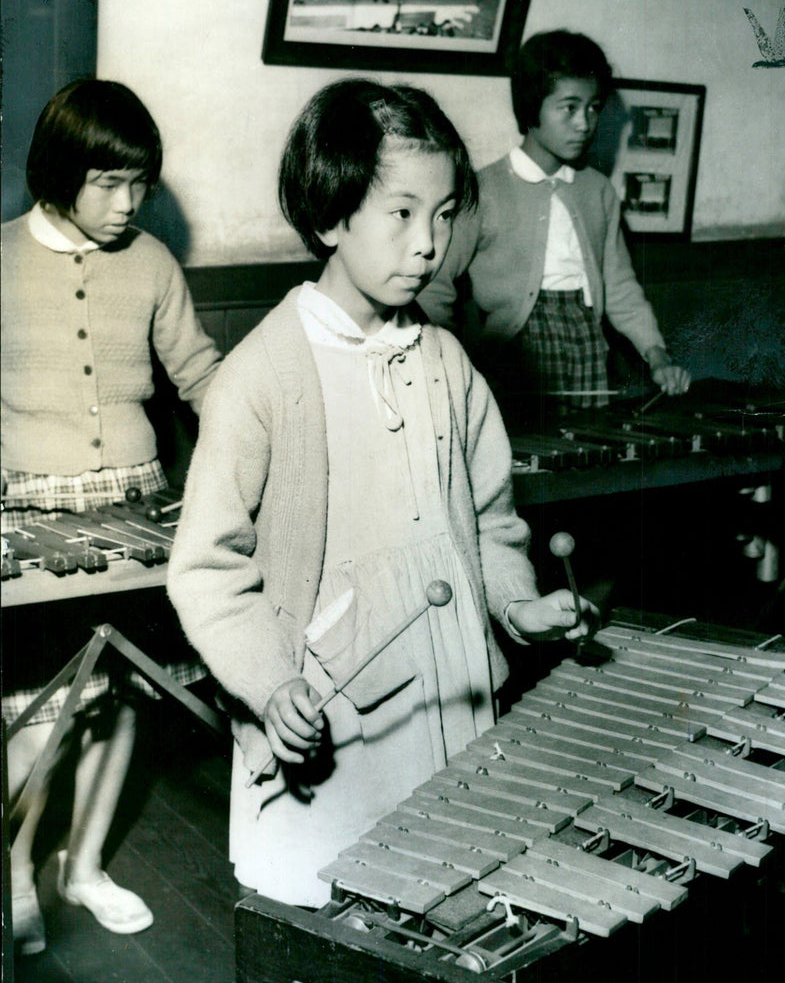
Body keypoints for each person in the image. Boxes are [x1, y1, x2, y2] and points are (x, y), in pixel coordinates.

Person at [166, 78, 598, 908]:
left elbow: (491, 524)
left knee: (449, 905)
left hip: (452, 696)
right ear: (330, 216)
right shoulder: (260, 377)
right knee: (334, 935)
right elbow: (207, 569)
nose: (429, 243)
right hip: (336, 715)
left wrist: (518, 606)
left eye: (444, 215)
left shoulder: (447, 362)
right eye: (402, 213)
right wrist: (270, 682)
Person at [2, 78, 221, 954]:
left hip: (137, 508)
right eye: (108, 183)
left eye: (141, 185)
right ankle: (14, 866)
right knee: (40, 715)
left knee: (124, 697)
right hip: (30, 518)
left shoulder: (154, 263)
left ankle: (84, 866)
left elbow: (200, 371)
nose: (129, 205)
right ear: (59, 172)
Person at [417, 30, 691, 423]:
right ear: (532, 106)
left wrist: (657, 354)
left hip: (588, 349)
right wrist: (449, 359)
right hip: (513, 360)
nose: (585, 123)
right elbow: (434, 283)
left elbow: (621, 287)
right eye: (569, 107)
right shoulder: (482, 190)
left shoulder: (598, 192)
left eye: (594, 107)